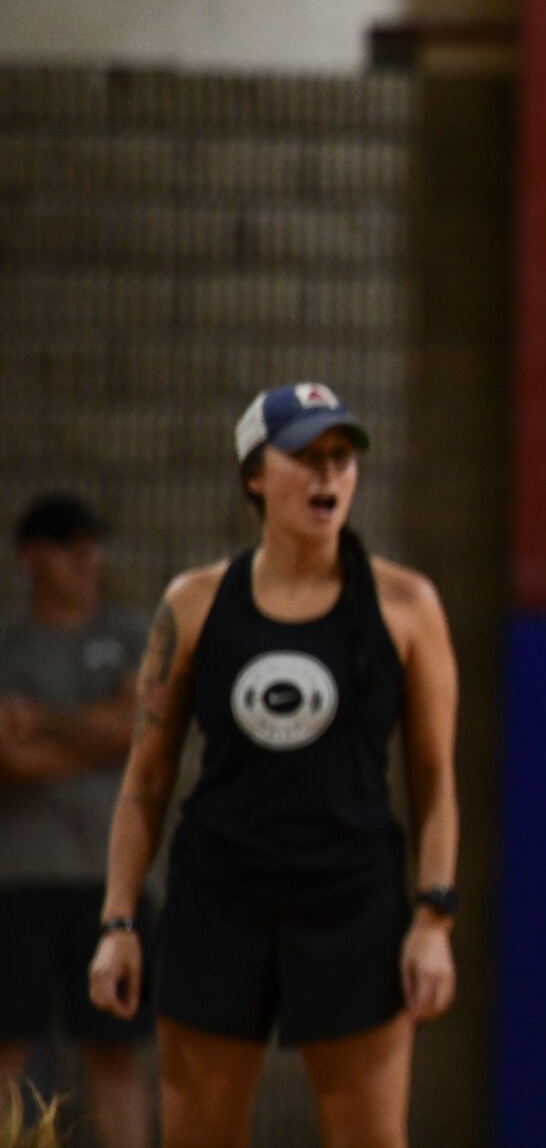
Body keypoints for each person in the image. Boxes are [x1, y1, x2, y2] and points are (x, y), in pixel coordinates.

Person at [86, 384, 461, 1148]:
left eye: (340, 457)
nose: (328, 476)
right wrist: (119, 920)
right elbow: (147, 780)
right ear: (255, 475)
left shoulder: (406, 604)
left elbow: (434, 780)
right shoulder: (192, 604)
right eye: (305, 457)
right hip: (219, 897)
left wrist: (432, 919)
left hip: (352, 900)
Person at [0, 494, 151, 1148]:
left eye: (92, 543)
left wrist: (44, 721)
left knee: (114, 1049)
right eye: (67, 545)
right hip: (21, 873)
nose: (86, 559)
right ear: (30, 557)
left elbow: (142, 725)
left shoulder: (130, 636)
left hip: (113, 878)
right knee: (8, 1047)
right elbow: (11, 758)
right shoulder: (11, 647)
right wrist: (99, 733)